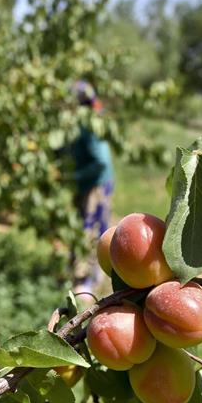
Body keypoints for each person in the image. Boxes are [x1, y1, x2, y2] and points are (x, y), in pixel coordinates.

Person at [69, 80, 114, 295]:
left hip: (96, 184)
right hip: (86, 182)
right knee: (82, 226)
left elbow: (101, 162)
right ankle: (81, 273)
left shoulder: (88, 126)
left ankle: (89, 281)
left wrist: (73, 175)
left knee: (92, 228)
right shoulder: (79, 123)